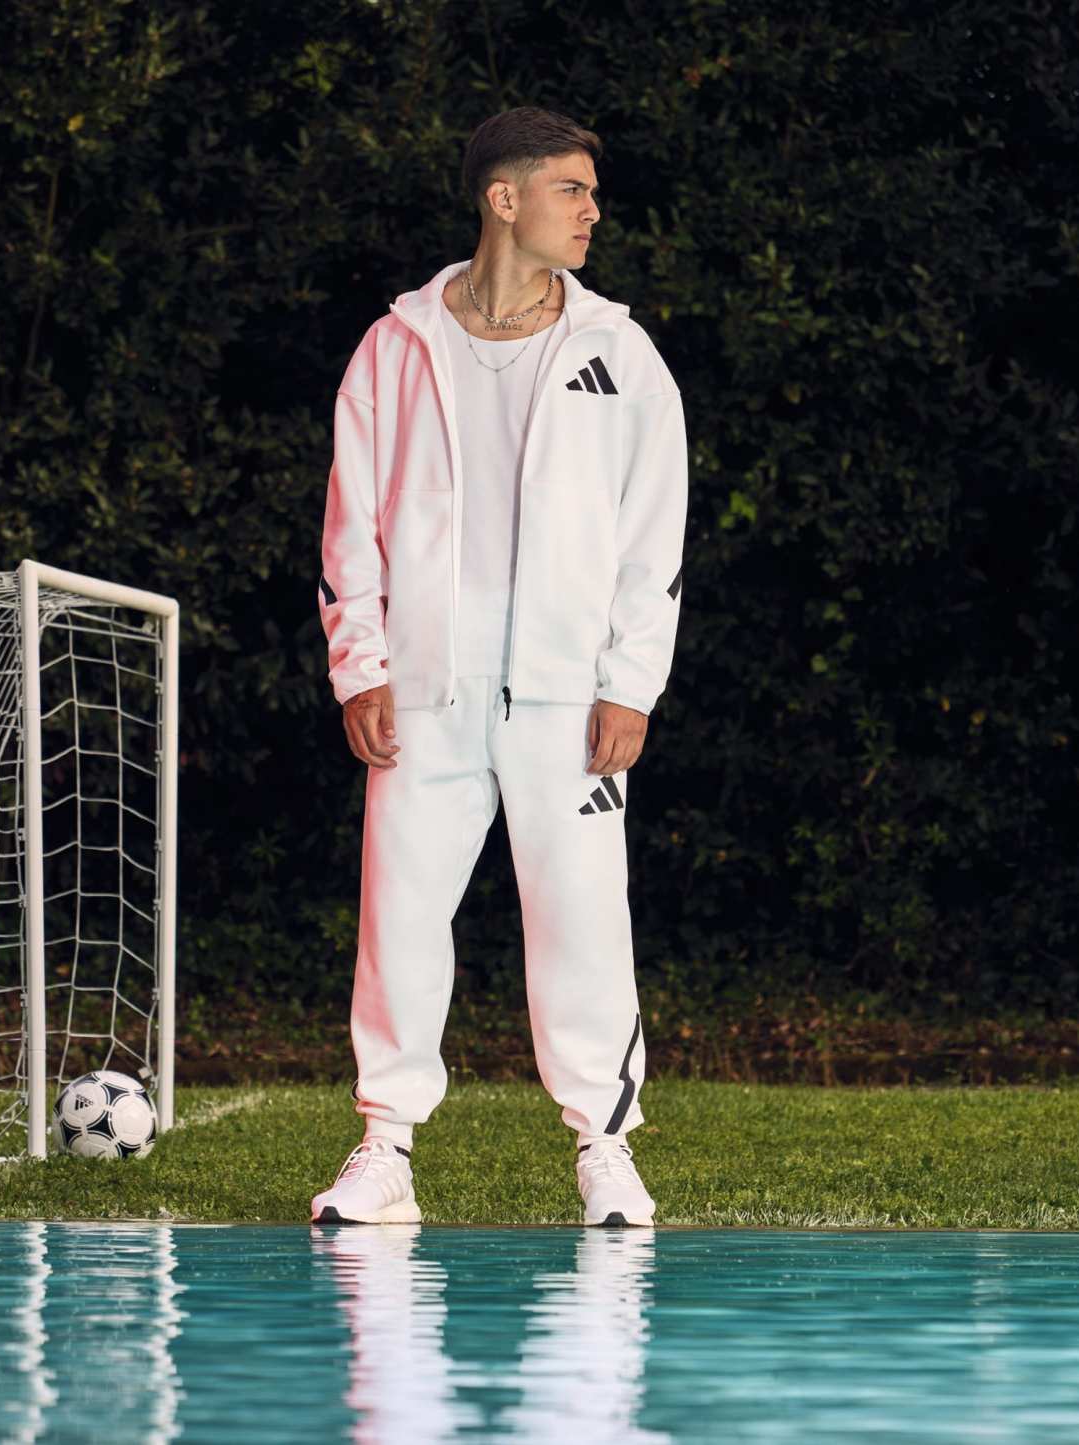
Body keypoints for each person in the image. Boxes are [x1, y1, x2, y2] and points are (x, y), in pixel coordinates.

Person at [312, 105, 688, 1227]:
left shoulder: (619, 353)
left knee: (583, 920)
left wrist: (629, 681)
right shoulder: (394, 345)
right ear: (503, 197)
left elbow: (653, 533)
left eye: (591, 192)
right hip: (424, 689)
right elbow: (349, 525)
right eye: (572, 189)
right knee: (397, 919)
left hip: (565, 698)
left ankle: (604, 1148)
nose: (592, 210)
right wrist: (359, 665)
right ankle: (384, 1149)